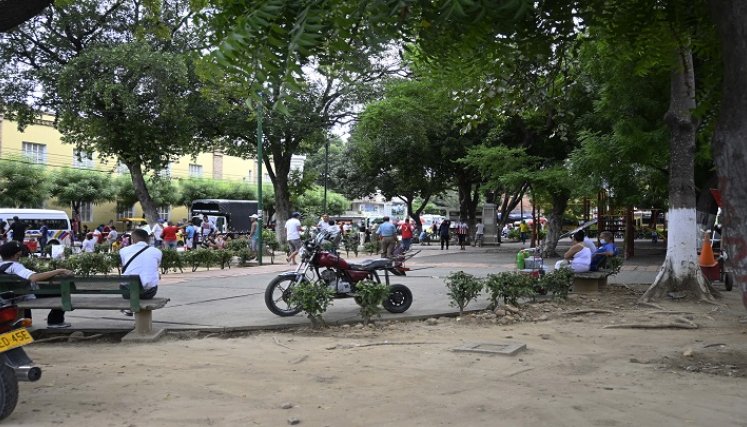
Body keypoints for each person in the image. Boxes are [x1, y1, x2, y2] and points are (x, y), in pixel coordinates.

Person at [0, 240, 74, 328]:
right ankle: (55, 321)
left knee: (27, 290)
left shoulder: (2, 265)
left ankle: (27, 320)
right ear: (16, 255)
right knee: (60, 291)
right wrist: (59, 271)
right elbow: (34, 278)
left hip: (6, 297)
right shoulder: (15, 266)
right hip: (20, 296)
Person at [119, 229, 162, 316]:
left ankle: (130, 308)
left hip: (128, 293)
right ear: (148, 239)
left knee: (129, 280)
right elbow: (155, 267)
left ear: (132, 239)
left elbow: (124, 266)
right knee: (152, 276)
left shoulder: (123, 251)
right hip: (148, 293)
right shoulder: (157, 252)